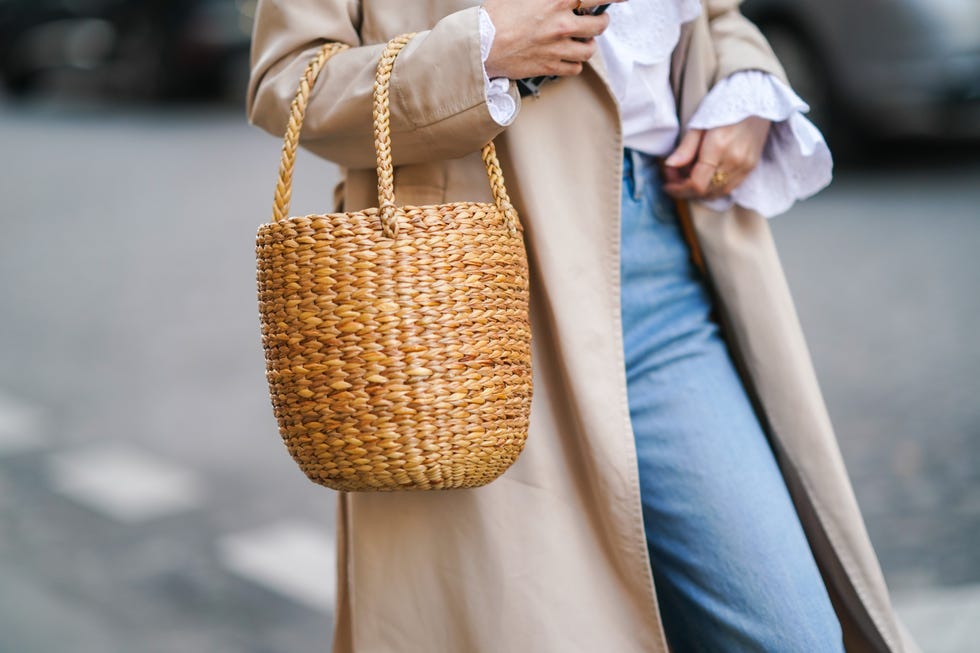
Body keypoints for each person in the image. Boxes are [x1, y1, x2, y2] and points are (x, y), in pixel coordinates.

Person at [247, 1, 923, 651]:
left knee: (785, 631)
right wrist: (478, 52)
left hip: (667, 264)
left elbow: (718, 17)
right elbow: (289, 78)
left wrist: (744, 85)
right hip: (465, 305)